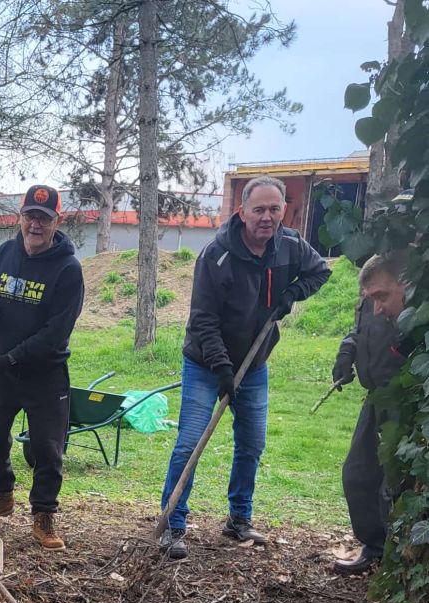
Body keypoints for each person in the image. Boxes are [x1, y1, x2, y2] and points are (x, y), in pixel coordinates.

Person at [159, 175, 331, 560]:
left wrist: (292, 294)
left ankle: (238, 519)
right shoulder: (216, 255)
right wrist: (221, 368)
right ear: (243, 211)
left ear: (283, 210)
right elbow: (203, 320)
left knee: (251, 444)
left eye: (274, 208)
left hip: (254, 366)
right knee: (190, 443)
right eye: (259, 209)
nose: (267, 217)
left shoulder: (289, 245)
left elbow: (320, 271)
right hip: (206, 364)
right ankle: (172, 524)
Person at [0, 184, 85, 551]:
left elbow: (56, 332)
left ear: (57, 221)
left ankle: (43, 514)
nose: (35, 225)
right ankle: (2, 494)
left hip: (46, 373)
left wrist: (12, 357)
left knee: (47, 448)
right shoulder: (5, 253)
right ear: (21, 217)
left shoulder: (68, 269)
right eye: (30, 216)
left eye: (44, 218)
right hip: (2, 367)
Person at [332, 252, 409, 575]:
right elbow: (359, 329)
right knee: (358, 474)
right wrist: (347, 351)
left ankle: (399, 557)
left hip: (402, 400)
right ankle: (374, 546)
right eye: (371, 298)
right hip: (374, 396)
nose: (377, 305)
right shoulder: (372, 295)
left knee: (394, 483)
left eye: (381, 296)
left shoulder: (415, 317)